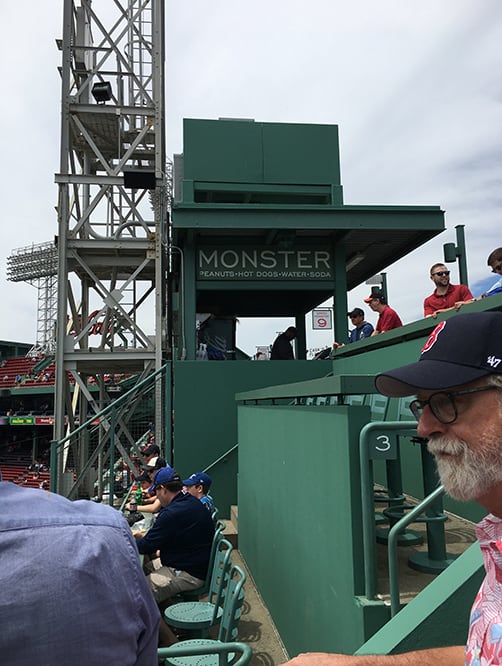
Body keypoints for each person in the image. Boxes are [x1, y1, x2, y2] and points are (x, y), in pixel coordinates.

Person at [281, 311, 502, 665]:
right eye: (422, 406)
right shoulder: (495, 534)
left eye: (447, 402)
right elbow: (485, 653)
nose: (423, 427)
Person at [0, 470, 160, 665]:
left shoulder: (110, 527)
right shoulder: (109, 527)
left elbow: (151, 544)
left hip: (184, 571)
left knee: (147, 585)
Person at [134, 465, 215, 603]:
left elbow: (146, 547)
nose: (156, 495)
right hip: (193, 563)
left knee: (137, 593)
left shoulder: (172, 513)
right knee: (142, 569)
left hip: (189, 573)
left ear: (164, 490)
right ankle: (163, 608)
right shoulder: (190, 501)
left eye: (156, 491)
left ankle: (162, 622)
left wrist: (124, 540)